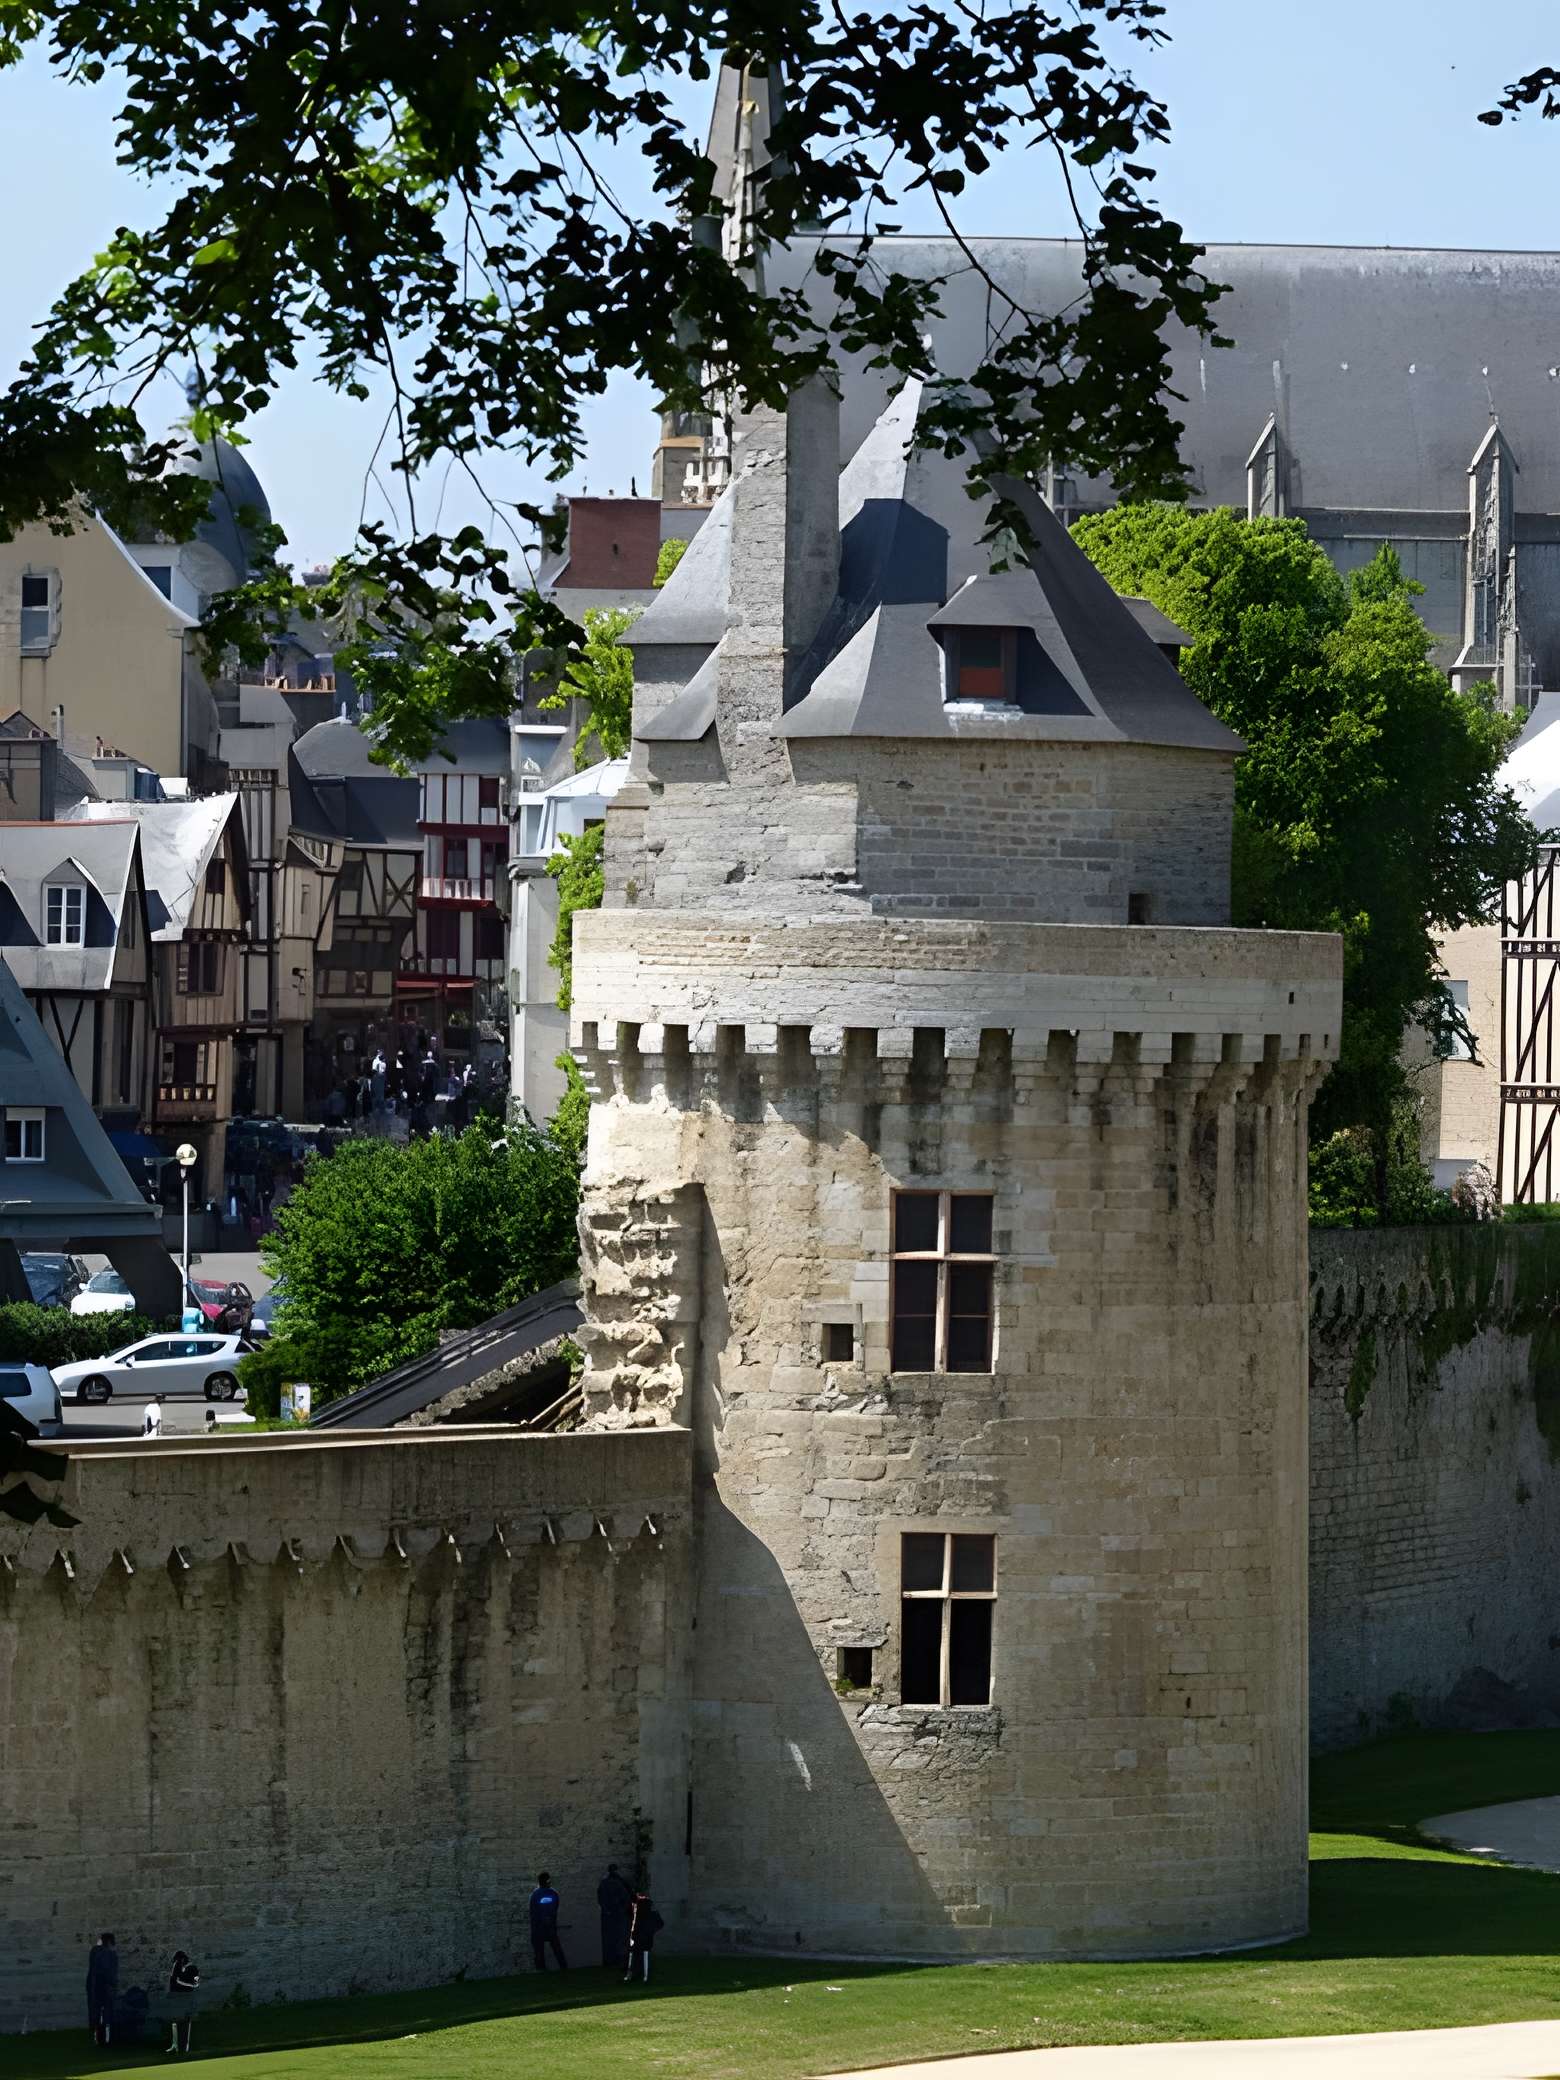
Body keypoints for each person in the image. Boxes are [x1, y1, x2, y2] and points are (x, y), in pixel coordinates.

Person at [528, 1872, 567, 1971]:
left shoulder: (535, 1894)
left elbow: (533, 1911)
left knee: (539, 1951)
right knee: (556, 1948)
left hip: (538, 1927)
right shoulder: (552, 1893)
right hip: (548, 1926)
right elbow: (554, 1908)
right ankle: (563, 1967)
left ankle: (542, 1969)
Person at [596, 1863, 631, 1970]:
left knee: (609, 1939)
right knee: (620, 1938)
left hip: (608, 1915)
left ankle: (609, 1961)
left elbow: (600, 1899)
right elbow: (626, 1897)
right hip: (619, 1914)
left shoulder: (603, 1884)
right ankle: (620, 1961)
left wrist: (606, 1910)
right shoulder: (619, 1883)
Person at [623, 1891, 663, 1986]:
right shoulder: (647, 1909)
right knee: (639, 1955)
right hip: (642, 1936)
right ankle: (641, 1974)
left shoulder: (640, 1908)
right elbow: (659, 1923)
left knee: (636, 1954)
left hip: (639, 1936)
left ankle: (636, 1974)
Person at [165, 1949, 199, 2056]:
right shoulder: (179, 1967)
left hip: (186, 1998)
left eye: (178, 1961)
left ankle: (184, 2046)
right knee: (174, 2023)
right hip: (177, 1997)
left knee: (185, 2023)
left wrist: (184, 1983)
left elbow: (195, 1983)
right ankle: (175, 2044)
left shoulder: (192, 1968)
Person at [86, 1931, 118, 2045]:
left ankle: (98, 2037)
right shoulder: (109, 1954)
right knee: (107, 2013)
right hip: (104, 1987)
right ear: (110, 1941)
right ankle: (107, 2039)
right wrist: (113, 1984)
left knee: (96, 2012)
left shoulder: (95, 1952)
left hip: (94, 1986)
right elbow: (108, 1973)